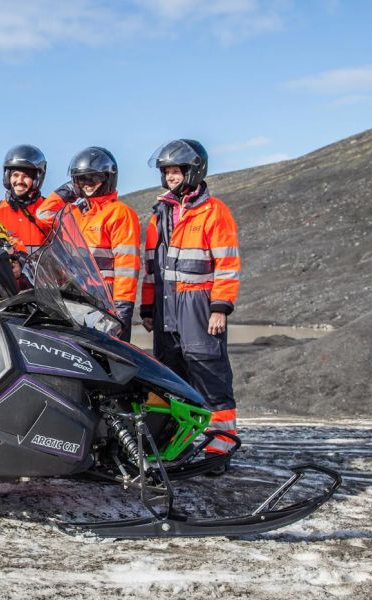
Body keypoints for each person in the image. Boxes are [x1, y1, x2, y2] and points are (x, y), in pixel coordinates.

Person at [141, 139, 240, 461]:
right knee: (169, 377)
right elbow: (151, 268)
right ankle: (175, 446)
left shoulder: (214, 211)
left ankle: (219, 447)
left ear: (193, 171)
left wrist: (220, 307)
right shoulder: (160, 214)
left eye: (176, 171)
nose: (171, 177)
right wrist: (147, 307)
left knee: (209, 374)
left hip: (198, 305)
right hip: (165, 307)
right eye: (167, 171)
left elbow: (227, 263)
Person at [60, 147, 140, 341]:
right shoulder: (74, 213)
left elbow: (126, 266)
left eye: (93, 178)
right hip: (77, 297)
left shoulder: (119, 212)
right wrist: (65, 191)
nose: (88, 184)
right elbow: (43, 215)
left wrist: (122, 307)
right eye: (82, 178)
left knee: (110, 361)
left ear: (107, 178)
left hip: (108, 300)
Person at [0, 145, 53, 254]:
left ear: (36, 179)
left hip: (42, 271)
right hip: (10, 271)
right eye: (15, 175)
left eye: (26, 176)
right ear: (7, 177)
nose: (19, 181)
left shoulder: (49, 210)